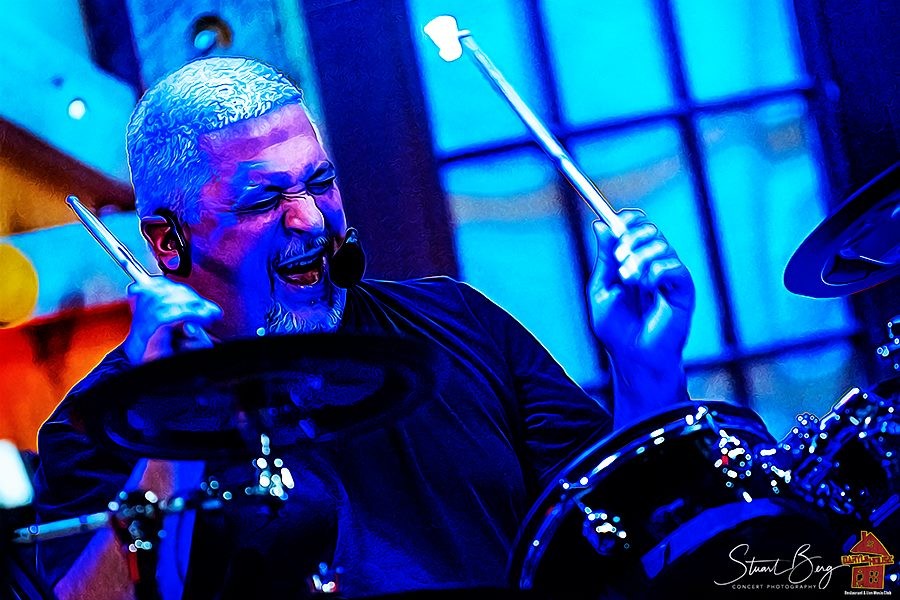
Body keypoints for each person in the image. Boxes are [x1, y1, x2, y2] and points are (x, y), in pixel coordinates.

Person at [33, 56, 695, 599]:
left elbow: (627, 531)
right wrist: (171, 422)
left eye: (319, 182)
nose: (311, 220)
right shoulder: (98, 424)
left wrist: (647, 370)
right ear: (167, 241)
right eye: (264, 200)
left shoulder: (458, 324)